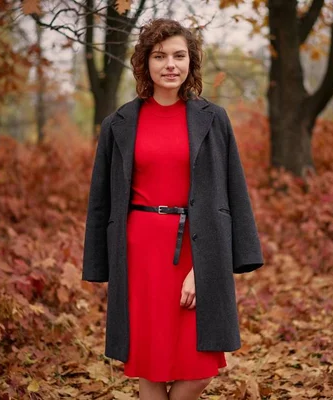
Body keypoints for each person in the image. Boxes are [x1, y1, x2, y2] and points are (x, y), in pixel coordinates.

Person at [82, 18, 264, 400]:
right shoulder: (118, 124)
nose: (170, 65)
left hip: (198, 247)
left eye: (179, 56)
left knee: (200, 366)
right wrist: (100, 262)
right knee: (148, 362)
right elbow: (101, 200)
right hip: (141, 250)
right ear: (145, 63)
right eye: (160, 56)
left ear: (191, 62)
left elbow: (234, 192)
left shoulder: (213, 119)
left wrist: (208, 265)